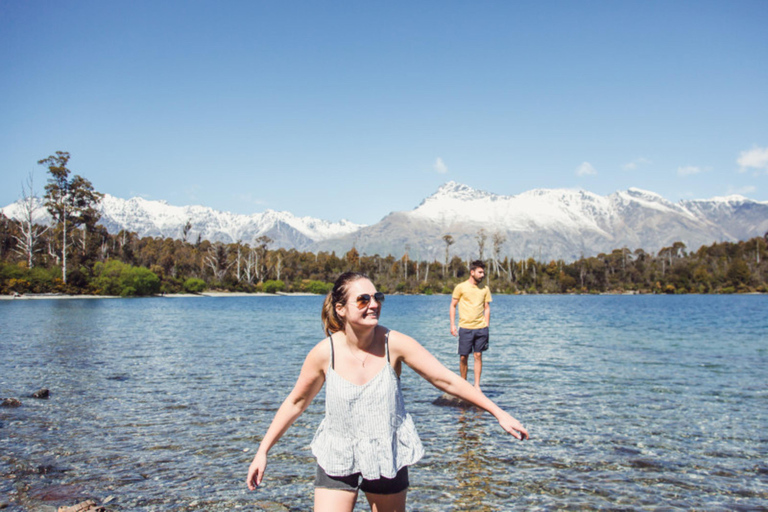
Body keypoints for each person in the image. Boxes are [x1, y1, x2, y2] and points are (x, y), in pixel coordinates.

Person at [246, 271, 528, 512]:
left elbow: (446, 380)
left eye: (377, 297)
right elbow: (296, 402)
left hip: (386, 456)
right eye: (363, 299)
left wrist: (497, 411)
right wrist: (263, 451)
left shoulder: (395, 343)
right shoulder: (324, 353)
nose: (374, 304)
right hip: (338, 454)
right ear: (341, 308)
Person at [449, 260, 491, 390]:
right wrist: (452, 325)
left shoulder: (485, 289)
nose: (482, 275)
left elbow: (487, 307)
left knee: (478, 355)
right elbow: (453, 305)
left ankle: (477, 385)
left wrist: (486, 326)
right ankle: (464, 384)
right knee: (463, 357)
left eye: (483, 272)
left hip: (481, 328)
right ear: (472, 272)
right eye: (480, 272)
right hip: (465, 328)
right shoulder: (461, 287)